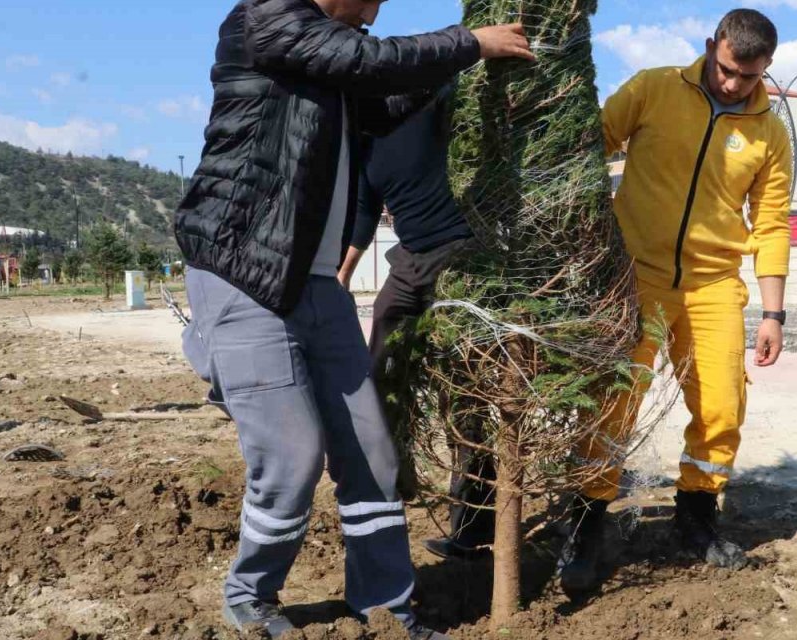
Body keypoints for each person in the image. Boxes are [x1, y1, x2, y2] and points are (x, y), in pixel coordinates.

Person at [174, 0, 532, 637]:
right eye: (368, 2)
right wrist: (469, 42)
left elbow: (381, 99)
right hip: (244, 272)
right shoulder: (266, 18)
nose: (371, 15)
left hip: (314, 285)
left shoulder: (332, 60)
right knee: (291, 453)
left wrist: (460, 77)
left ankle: (386, 606)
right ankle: (251, 593)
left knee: (371, 450)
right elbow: (366, 59)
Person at [557, 8, 792, 595]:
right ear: (711, 47)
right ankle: (585, 522)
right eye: (727, 69)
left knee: (721, 407)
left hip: (715, 285)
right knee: (614, 402)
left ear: (767, 68)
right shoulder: (653, 88)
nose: (735, 84)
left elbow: (771, 220)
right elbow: (587, 146)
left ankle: (696, 517)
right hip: (636, 276)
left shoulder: (770, 132)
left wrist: (773, 312)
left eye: (750, 75)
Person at [337, 82, 495, 561]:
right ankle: (388, 476)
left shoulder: (427, 106)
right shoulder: (363, 146)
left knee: (465, 394)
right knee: (380, 362)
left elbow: (464, 89)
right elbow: (364, 216)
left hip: (460, 256)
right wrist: (341, 278)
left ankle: (471, 528)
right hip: (412, 260)